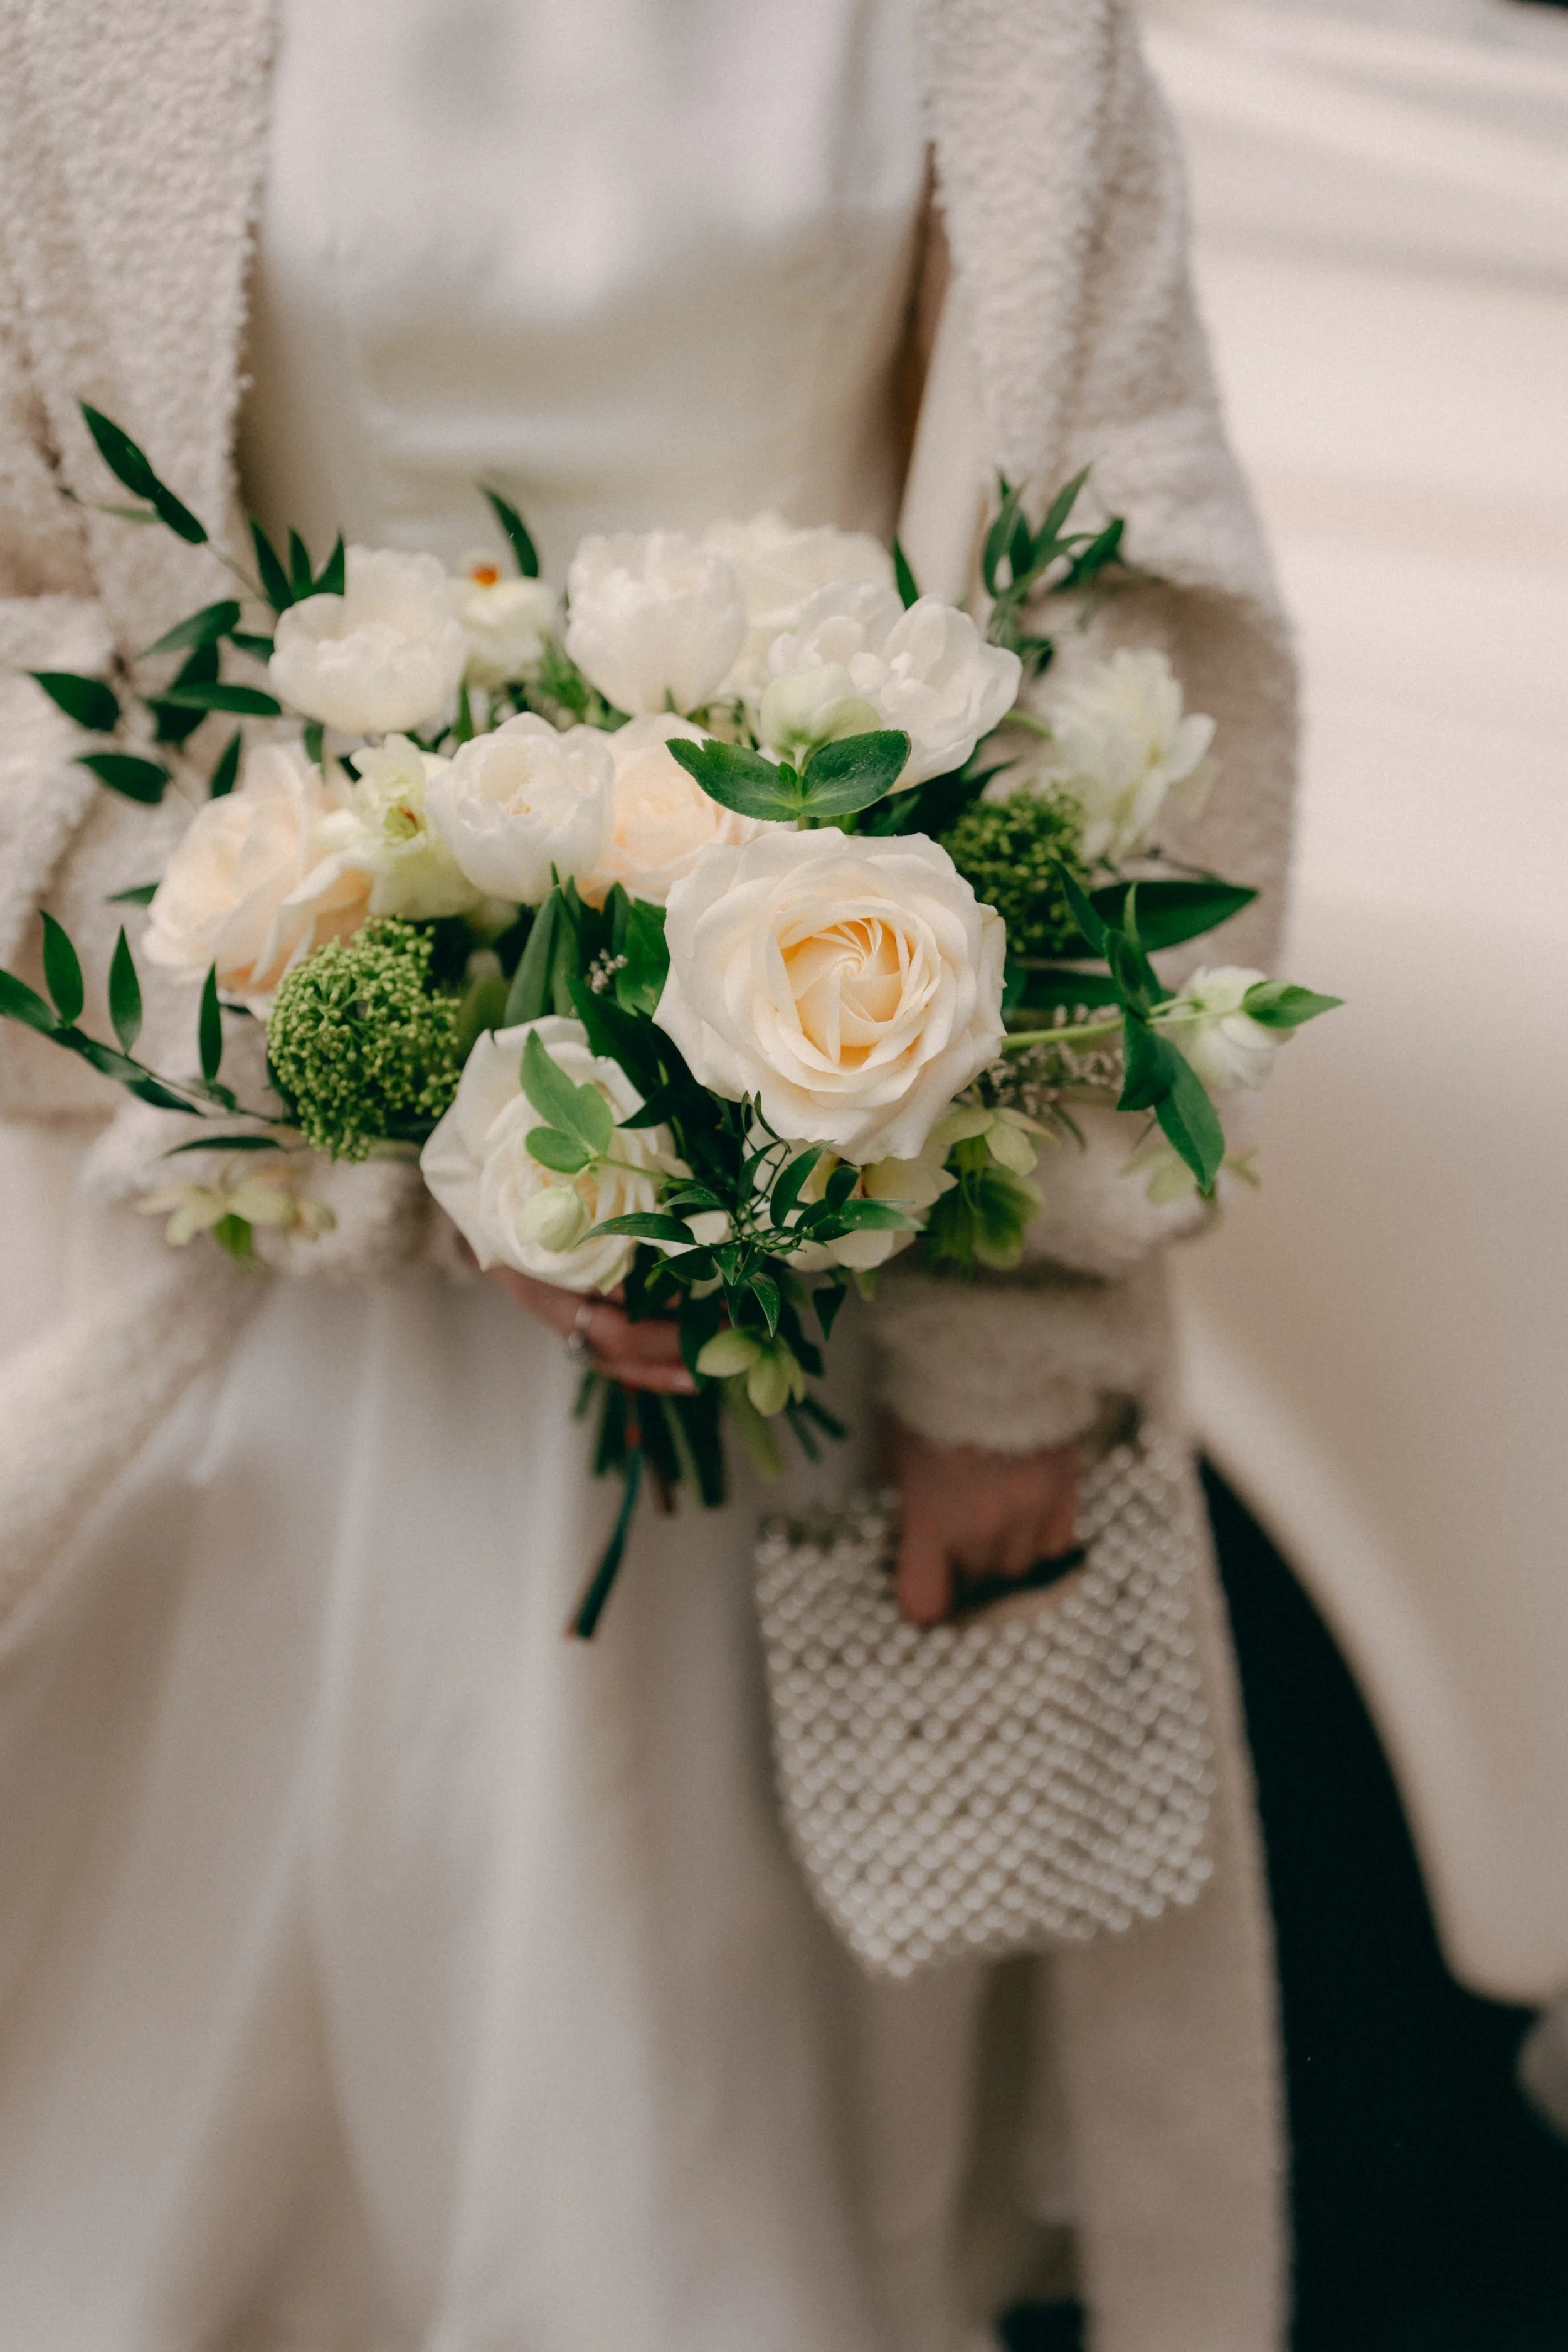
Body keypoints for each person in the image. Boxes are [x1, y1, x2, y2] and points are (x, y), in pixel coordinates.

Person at [0, 3, 1297, 2346]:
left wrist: (1014, 1332)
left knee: (697, 2122)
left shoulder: (1011, 31)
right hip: (257, 1245)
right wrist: (351, 1064)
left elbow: (1129, 590)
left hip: (810, 1236)